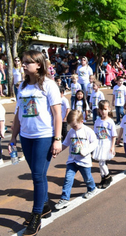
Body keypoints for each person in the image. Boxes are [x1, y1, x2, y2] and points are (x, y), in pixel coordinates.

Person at [8, 50, 62, 236]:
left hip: (44, 137)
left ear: (38, 64)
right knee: (37, 174)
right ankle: (45, 205)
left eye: (26, 62)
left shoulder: (49, 85)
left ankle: (37, 215)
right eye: (22, 62)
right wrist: (13, 137)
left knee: (38, 176)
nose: (23, 65)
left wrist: (57, 139)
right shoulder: (22, 86)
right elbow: (17, 114)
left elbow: (57, 114)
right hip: (26, 136)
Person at [54, 110, 98, 210]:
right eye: (71, 126)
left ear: (81, 121)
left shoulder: (87, 131)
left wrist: (86, 150)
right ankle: (65, 198)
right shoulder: (71, 132)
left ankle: (92, 188)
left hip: (84, 161)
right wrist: (57, 150)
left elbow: (95, 143)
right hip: (72, 161)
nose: (73, 128)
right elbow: (65, 143)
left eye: (75, 126)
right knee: (68, 179)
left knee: (87, 178)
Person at [92, 100, 117, 189]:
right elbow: (95, 133)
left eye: (105, 109)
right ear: (99, 110)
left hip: (106, 143)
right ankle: (103, 178)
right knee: (100, 163)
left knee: (102, 163)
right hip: (99, 143)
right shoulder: (97, 121)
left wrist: (112, 147)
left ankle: (108, 177)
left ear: (109, 109)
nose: (103, 111)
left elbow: (114, 135)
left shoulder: (110, 121)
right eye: (101, 110)